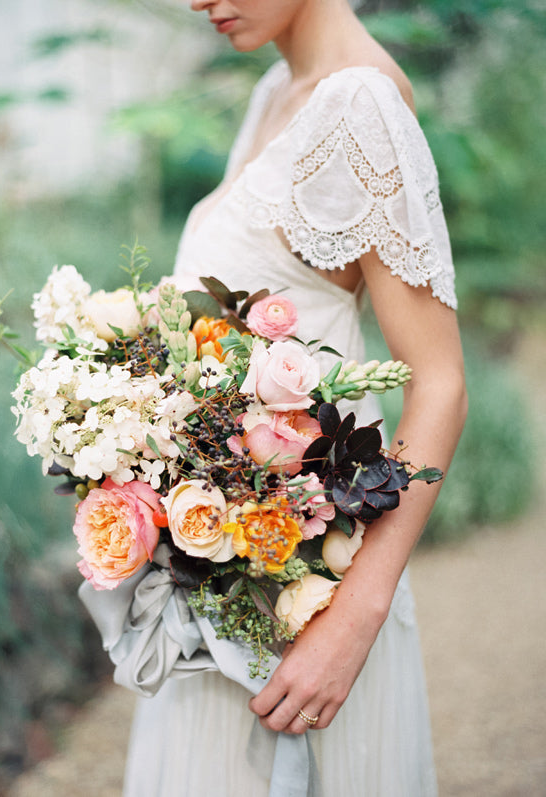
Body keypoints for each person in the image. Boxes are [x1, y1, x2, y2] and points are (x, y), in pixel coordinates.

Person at [121, 1, 468, 794]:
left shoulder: (362, 103)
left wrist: (352, 621)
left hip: (307, 596)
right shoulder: (277, 87)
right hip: (221, 576)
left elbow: (441, 384)